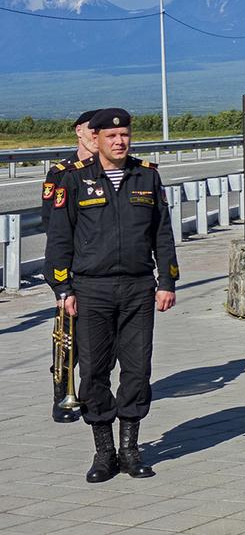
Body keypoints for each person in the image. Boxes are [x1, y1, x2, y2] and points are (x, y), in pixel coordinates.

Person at [44, 108, 178, 483]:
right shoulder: (73, 180)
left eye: (125, 136)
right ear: (96, 139)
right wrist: (62, 288)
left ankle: (131, 450)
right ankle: (104, 452)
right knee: (94, 372)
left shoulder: (147, 176)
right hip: (91, 290)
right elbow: (59, 238)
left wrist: (166, 281)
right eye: (111, 137)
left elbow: (162, 233)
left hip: (138, 288)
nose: (120, 142)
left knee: (137, 371)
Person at [43, 109, 99, 423]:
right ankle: (62, 394)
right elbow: (52, 222)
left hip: (99, 264)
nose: (96, 134)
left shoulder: (105, 168)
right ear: (78, 131)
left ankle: (92, 394)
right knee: (67, 335)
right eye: (92, 129)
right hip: (71, 264)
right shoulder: (61, 171)